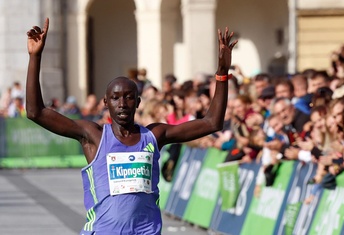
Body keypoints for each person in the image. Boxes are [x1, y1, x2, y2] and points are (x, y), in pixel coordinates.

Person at [26, 18, 237, 235]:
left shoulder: (154, 135)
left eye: (128, 97)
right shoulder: (94, 136)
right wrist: (35, 56)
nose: (122, 103)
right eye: (115, 98)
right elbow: (36, 112)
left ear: (137, 102)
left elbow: (212, 122)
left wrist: (221, 72)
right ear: (105, 103)